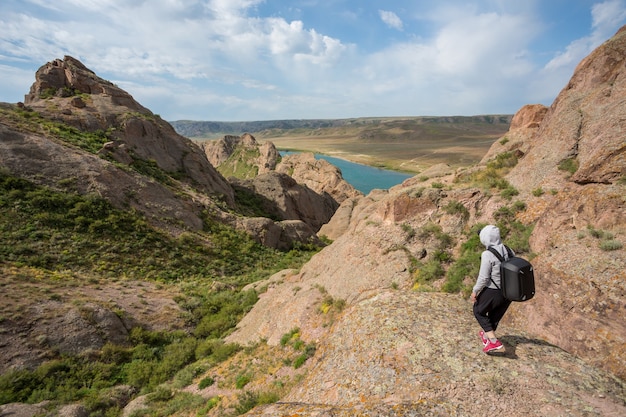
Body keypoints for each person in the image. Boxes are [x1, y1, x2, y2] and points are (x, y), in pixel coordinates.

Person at [470, 224, 512, 353]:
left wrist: (475, 291)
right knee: (494, 315)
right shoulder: (508, 249)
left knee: (478, 310)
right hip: (509, 291)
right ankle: (488, 337)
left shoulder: (487, 254)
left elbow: (483, 277)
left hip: (494, 290)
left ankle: (494, 343)